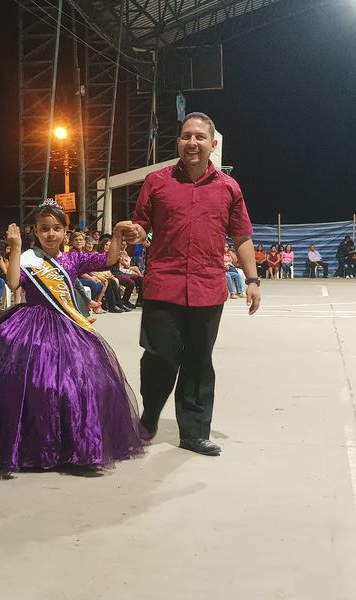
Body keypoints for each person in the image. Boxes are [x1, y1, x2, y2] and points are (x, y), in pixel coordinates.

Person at [0, 200, 144, 477]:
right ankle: (27, 444)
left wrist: (117, 232)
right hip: (29, 325)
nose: (51, 234)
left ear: (65, 231)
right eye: (44, 228)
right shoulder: (29, 257)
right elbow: (13, 282)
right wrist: (16, 248)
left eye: (56, 228)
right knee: (25, 384)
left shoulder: (74, 258)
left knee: (71, 383)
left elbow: (109, 261)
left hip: (65, 326)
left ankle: (70, 445)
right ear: (36, 231)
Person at [125, 112, 260, 457]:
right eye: (186, 136)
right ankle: (150, 415)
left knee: (199, 361)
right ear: (178, 142)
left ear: (213, 144)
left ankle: (195, 432)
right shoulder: (156, 182)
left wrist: (252, 279)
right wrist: (136, 233)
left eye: (200, 137)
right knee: (159, 357)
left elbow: (242, 236)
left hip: (207, 288)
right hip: (163, 286)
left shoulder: (229, 187)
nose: (192, 142)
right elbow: (141, 224)